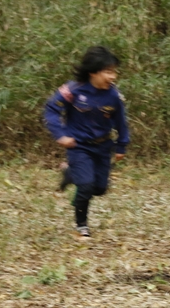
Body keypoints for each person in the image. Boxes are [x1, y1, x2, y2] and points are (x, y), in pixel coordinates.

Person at [44, 46, 129, 238]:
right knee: (86, 186)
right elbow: (51, 109)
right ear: (93, 72)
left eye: (114, 72)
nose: (113, 76)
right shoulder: (73, 90)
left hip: (103, 146)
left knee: (100, 188)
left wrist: (122, 144)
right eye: (108, 72)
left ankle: (70, 173)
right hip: (79, 146)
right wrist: (60, 134)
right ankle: (81, 225)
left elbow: (121, 121)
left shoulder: (114, 95)